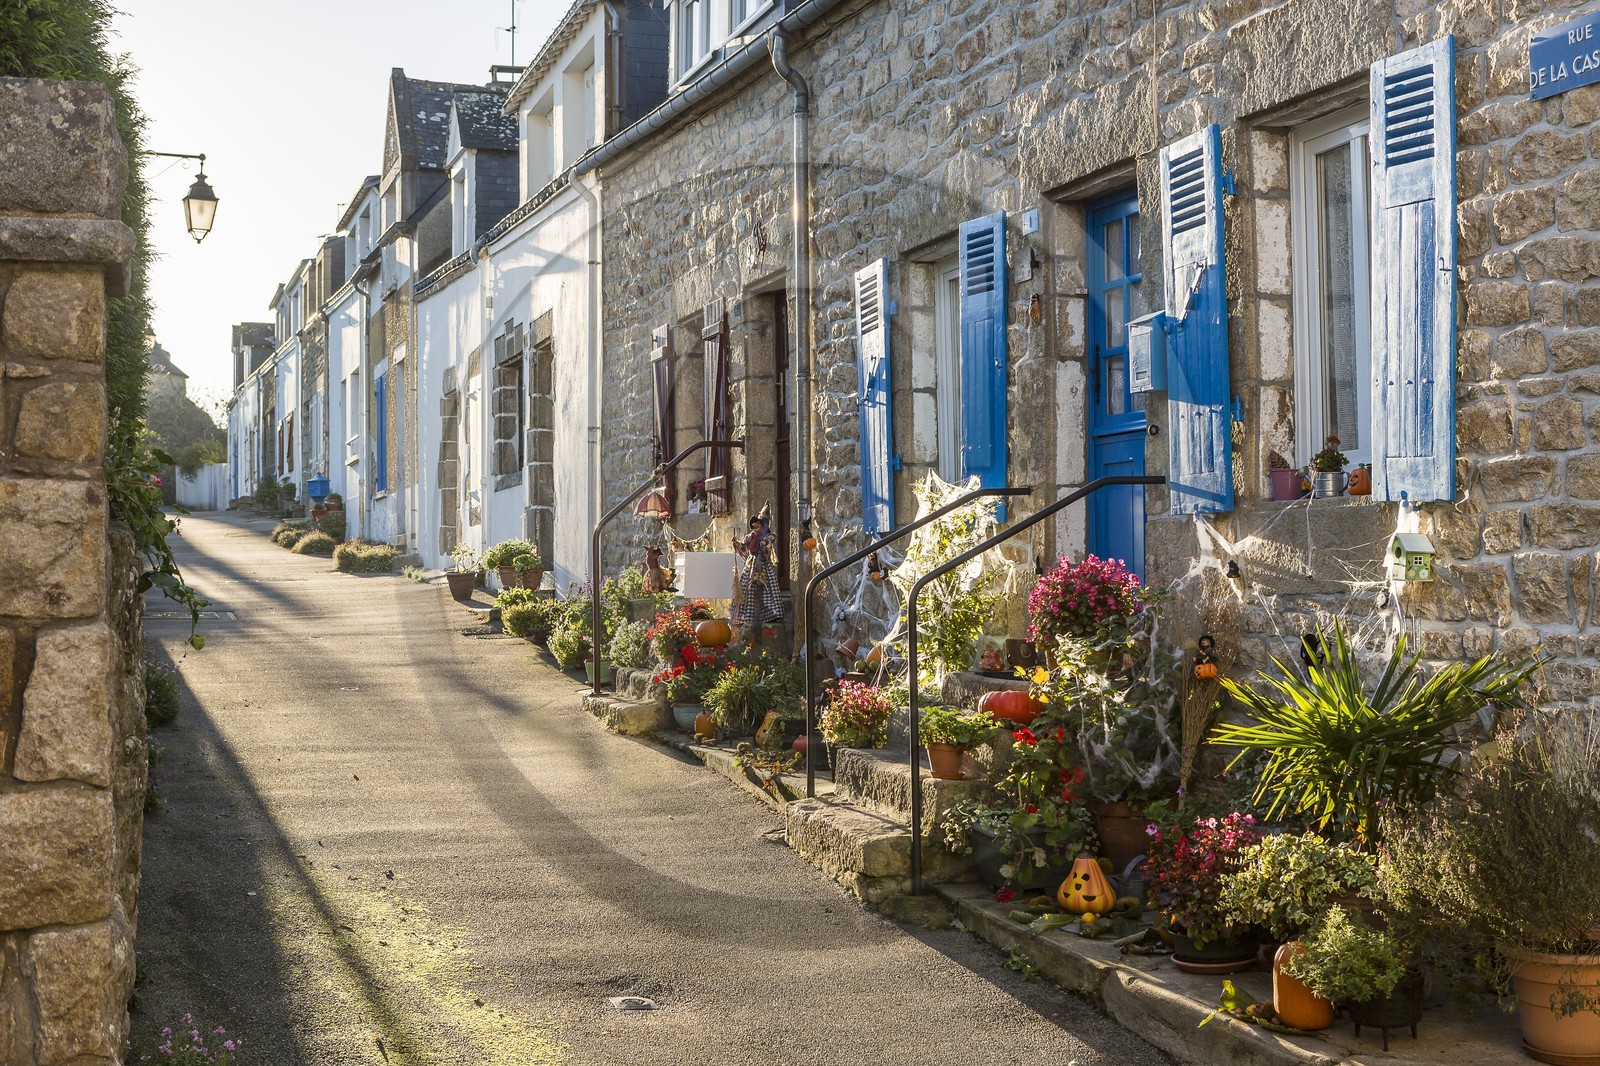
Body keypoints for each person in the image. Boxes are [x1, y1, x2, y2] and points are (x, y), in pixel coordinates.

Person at [734, 504, 783, 627]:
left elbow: (769, 544)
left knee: (768, 589)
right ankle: (747, 616)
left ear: (764, 525)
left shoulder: (769, 536)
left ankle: (773, 614)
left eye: (758, 526)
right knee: (748, 588)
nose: (755, 529)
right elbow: (744, 548)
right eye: (754, 527)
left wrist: (764, 543)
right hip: (751, 566)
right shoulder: (750, 536)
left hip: (764, 566)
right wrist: (736, 543)